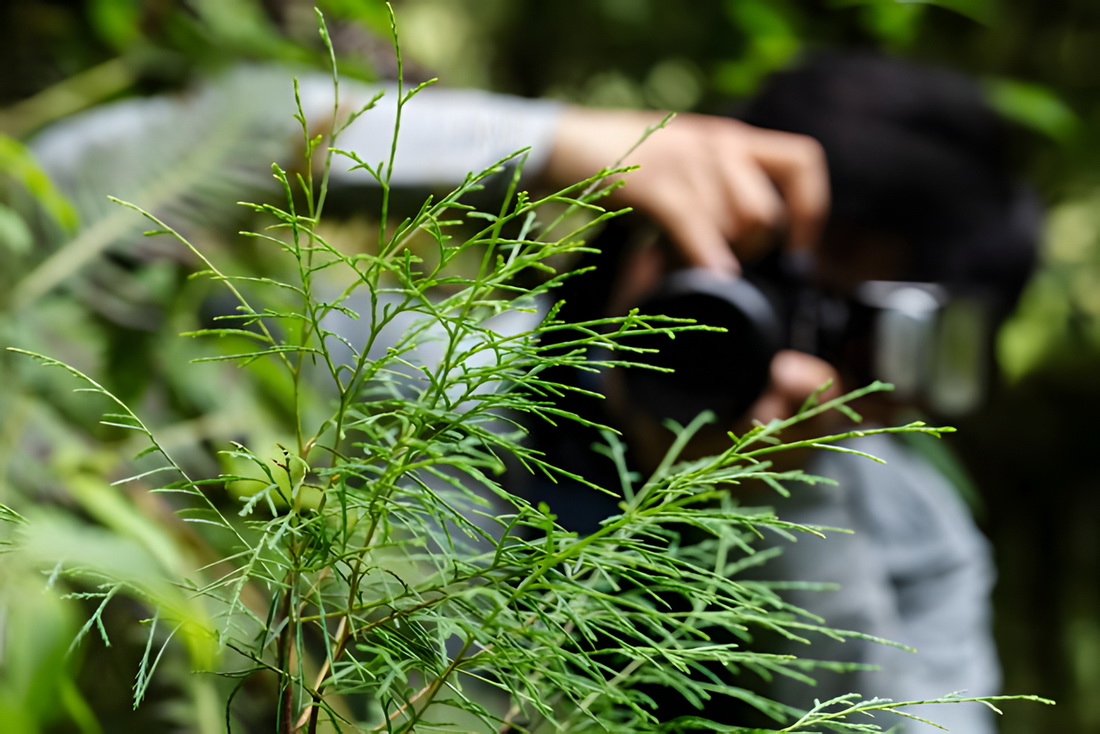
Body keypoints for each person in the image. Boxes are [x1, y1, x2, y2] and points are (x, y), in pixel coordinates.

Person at [525, 51, 1040, 732]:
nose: (735, 337)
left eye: (833, 328)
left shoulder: (917, 537)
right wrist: (549, 143)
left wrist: (780, 512)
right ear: (651, 223)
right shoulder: (403, 387)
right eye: (745, 276)